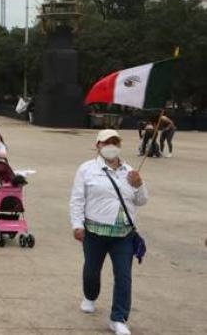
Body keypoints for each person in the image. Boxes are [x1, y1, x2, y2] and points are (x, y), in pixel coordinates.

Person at [70, 129, 147, 335]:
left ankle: (118, 318)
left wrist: (139, 185)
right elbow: (77, 199)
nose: (111, 146)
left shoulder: (129, 171)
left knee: (124, 276)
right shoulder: (87, 169)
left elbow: (141, 201)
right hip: (95, 231)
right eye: (106, 142)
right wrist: (77, 224)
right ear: (98, 145)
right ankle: (90, 296)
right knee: (92, 271)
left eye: (115, 142)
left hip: (124, 234)